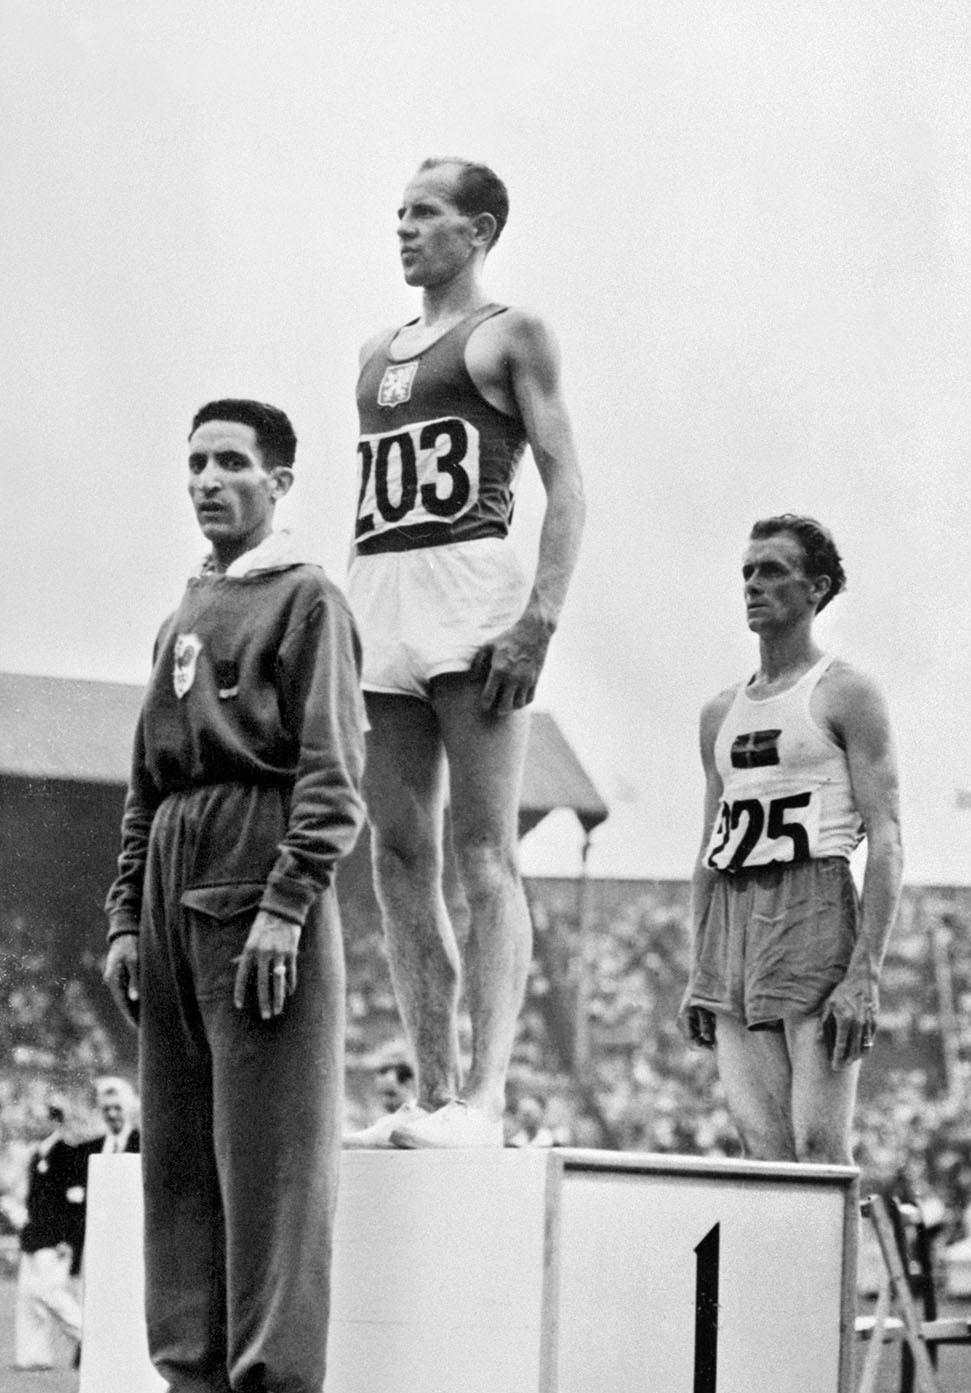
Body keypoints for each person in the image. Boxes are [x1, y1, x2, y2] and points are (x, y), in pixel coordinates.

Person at [102, 400, 366, 1393]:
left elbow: (334, 771)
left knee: (268, 1145)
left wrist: (288, 901)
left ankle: (270, 1389)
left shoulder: (309, 601)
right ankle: (192, 1373)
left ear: (281, 482)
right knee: (178, 1142)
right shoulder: (186, 610)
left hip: (256, 863)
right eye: (197, 463)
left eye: (232, 464)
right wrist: (126, 910)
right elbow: (143, 773)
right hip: (174, 860)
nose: (209, 481)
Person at [345, 156, 585, 1151]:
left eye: (427, 215)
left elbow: (567, 480)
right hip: (384, 592)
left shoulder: (510, 333)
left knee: (483, 848)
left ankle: (484, 1097)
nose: (405, 229)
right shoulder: (375, 351)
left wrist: (540, 616)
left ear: (479, 229)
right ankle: (432, 1088)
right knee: (397, 853)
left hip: (472, 588)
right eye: (398, 212)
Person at [681, 515, 903, 1163]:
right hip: (733, 919)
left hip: (813, 902)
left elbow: (887, 839)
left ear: (817, 588)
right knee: (763, 1149)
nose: (753, 584)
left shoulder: (847, 692)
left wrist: (866, 971)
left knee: (818, 1146)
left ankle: (836, 1269)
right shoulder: (719, 712)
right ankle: (774, 1271)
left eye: (773, 570)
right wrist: (700, 966)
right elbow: (706, 852)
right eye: (747, 571)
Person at [5, 1094, 87, 1370]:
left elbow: (75, 1201)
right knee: (29, 1297)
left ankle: (88, 1337)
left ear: (54, 1120)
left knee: (50, 1293)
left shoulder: (66, 1153)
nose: (34, 1123)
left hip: (55, 1238)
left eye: (41, 1118)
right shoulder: (37, 1153)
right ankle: (33, 1356)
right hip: (35, 1235)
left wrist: (69, 1238)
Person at [91, 1076, 141, 1156]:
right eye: (106, 1109)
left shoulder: (143, 1144)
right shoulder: (91, 1148)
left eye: (118, 1108)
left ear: (128, 1108)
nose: (112, 1114)